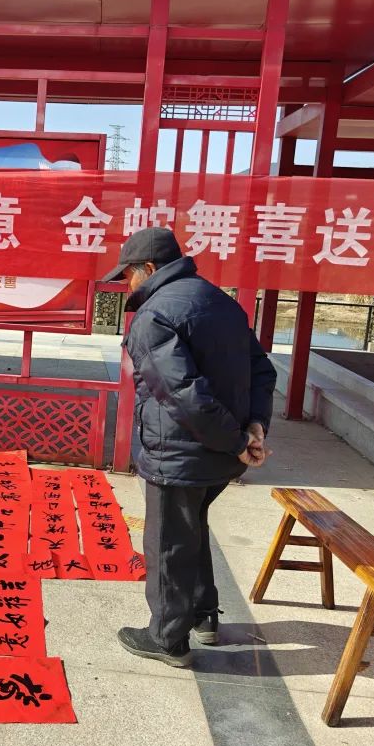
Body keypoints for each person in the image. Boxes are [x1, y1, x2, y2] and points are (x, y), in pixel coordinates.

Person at [103, 227, 277, 668]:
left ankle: (167, 638)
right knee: (191, 527)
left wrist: (239, 440)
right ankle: (203, 614)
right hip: (218, 454)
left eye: (127, 275)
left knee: (168, 543)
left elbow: (183, 395)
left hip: (179, 453)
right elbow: (262, 369)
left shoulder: (154, 315)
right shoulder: (220, 302)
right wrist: (254, 427)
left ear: (149, 268)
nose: (127, 285)